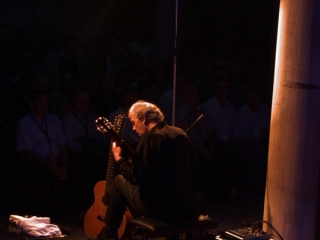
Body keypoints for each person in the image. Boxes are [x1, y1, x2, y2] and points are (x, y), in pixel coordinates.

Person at [88, 100, 197, 240]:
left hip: (159, 208)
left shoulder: (150, 138)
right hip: (185, 205)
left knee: (119, 181)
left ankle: (108, 234)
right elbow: (193, 167)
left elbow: (137, 177)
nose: (133, 128)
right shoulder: (180, 133)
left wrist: (119, 158)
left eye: (134, 122)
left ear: (144, 119)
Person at [15, 89, 69, 216]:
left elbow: (62, 145)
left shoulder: (54, 120)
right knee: (42, 175)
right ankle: (43, 215)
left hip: (55, 161)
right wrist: (52, 167)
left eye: (46, 102)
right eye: (40, 102)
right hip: (36, 163)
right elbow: (28, 152)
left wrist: (64, 165)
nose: (44, 105)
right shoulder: (24, 123)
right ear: (31, 103)